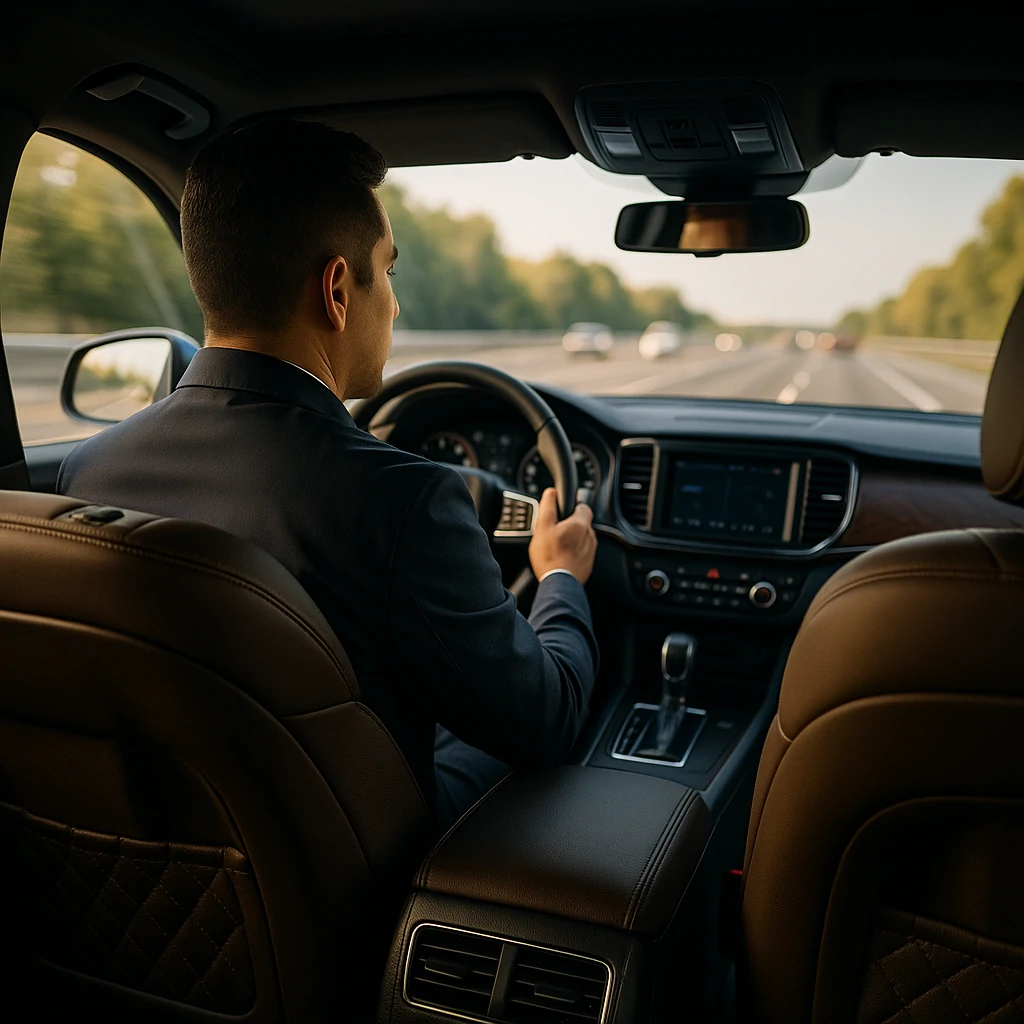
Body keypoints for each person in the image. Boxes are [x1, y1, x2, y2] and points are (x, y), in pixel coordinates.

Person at [57, 120, 599, 828]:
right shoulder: (403, 500)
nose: (396, 305)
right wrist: (560, 577)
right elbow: (547, 722)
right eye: (390, 271)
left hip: (170, 859)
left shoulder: (87, 467)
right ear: (338, 290)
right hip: (355, 877)